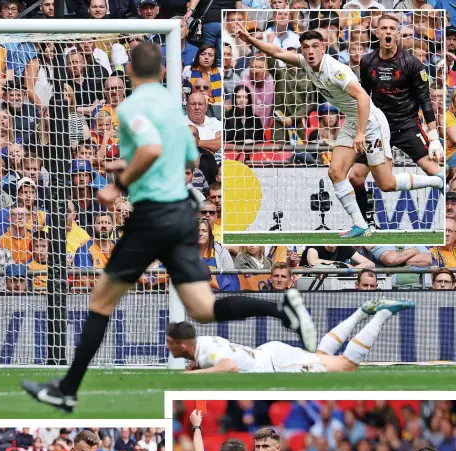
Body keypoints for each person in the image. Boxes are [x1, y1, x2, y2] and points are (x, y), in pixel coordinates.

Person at [22, 42, 316, 412]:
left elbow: (150, 150)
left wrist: (120, 183)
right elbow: (189, 157)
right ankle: (281, 310)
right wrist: (125, 166)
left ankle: (67, 390)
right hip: (180, 215)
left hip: (153, 216)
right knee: (204, 307)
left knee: (101, 301)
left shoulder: (131, 106)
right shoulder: (173, 110)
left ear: (129, 72)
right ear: (162, 72)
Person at [233, 24, 444, 239]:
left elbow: (363, 98)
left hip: (371, 123)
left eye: (315, 46)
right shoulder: (305, 63)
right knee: (335, 172)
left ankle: (436, 180)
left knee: (386, 184)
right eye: (306, 47)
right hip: (353, 120)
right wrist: (250, 41)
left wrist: (361, 133)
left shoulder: (335, 70)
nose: (310, 51)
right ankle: (360, 224)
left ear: (324, 48)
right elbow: (276, 51)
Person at [351, 15, 444, 229]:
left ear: (398, 33)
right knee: (356, 177)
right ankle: (366, 223)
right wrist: (361, 129)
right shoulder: (367, 62)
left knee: (435, 171)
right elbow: (364, 97)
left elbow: (425, 100)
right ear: (377, 33)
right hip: (379, 127)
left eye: (392, 28)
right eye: (384, 28)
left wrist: (434, 136)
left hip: (407, 125)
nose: (388, 32)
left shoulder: (412, 63)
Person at [165, 298, 416, 374]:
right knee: (321, 355)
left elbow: (228, 366)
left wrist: (195, 373)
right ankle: (363, 311)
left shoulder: (208, 352)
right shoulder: (203, 343)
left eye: (169, 342)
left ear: (182, 344)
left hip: (277, 363)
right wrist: (195, 364)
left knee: (346, 366)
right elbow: (210, 357)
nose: (167, 346)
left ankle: (381, 314)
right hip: (271, 354)